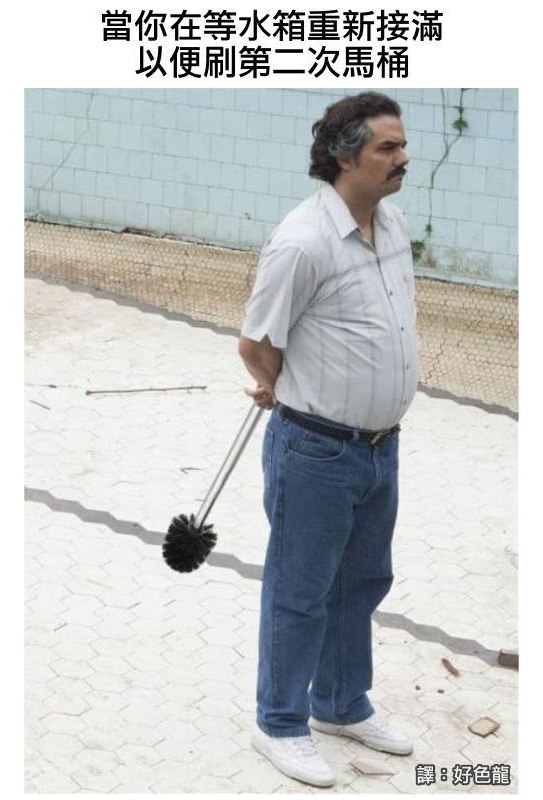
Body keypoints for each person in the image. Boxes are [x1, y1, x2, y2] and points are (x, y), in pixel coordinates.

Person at [238, 91, 418, 788]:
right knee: (300, 592)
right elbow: (256, 343)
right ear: (345, 157)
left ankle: (340, 703)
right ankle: (279, 722)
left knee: (362, 581)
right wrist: (282, 385)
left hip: (379, 447)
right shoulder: (301, 241)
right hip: (314, 449)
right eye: (387, 147)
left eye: (401, 145)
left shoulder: (392, 223)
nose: (403, 158)